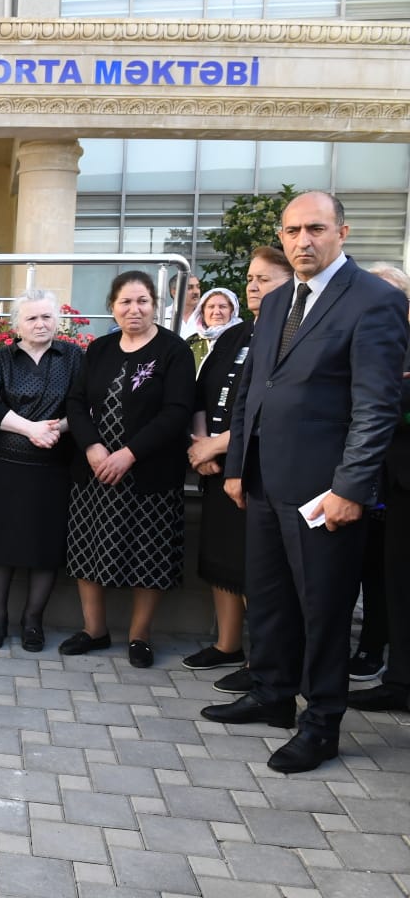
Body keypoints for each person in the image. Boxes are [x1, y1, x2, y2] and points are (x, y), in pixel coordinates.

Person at [203, 191, 409, 775]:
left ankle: (321, 724)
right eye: (292, 231)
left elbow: (377, 406)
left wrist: (351, 488)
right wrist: (238, 466)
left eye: (315, 229)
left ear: (342, 232)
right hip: (264, 481)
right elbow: (253, 390)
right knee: (269, 598)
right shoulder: (276, 302)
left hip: (325, 492)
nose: (302, 241)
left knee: (324, 610)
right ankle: (272, 694)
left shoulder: (374, 301)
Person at [62, 270, 196, 669]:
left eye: (142, 301)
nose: (134, 309)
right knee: (87, 548)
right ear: (112, 307)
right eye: (125, 302)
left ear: (155, 305)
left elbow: (177, 412)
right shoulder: (99, 349)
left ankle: (140, 636)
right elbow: (75, 402)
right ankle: (94, 630)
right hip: (96, 470)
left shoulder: (174, 351)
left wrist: (129, 454)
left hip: (149, 472)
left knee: (149, 554)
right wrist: (93, 447)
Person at [184, 251, 291, 693]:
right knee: (221, 561)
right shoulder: (235, 333)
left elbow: (272, 408)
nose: (253, 286)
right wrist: (201, 445)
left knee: (255, 569)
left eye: (265, 279)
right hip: (215, 466)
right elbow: (199, 393)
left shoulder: (290, 334)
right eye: (250, 278)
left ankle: (262, 661)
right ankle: (228, 645)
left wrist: (217, 445)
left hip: (258, 468)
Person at [0, 289, 83, 653]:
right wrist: (30, 429)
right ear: (17, 324)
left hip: (51, 466)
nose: (40, 324)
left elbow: (83, 406)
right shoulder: (3, 357)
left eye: (47, 317)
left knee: (45, 545)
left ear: (57, 321)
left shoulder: (73, 356)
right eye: (32, 318)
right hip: (1, 464)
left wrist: (55, 429)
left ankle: (33, 620)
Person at [350, 263, 410, 714]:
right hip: (365, 480)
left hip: (401, 479)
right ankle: (393, 672)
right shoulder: (360, 341)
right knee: (380, 574)